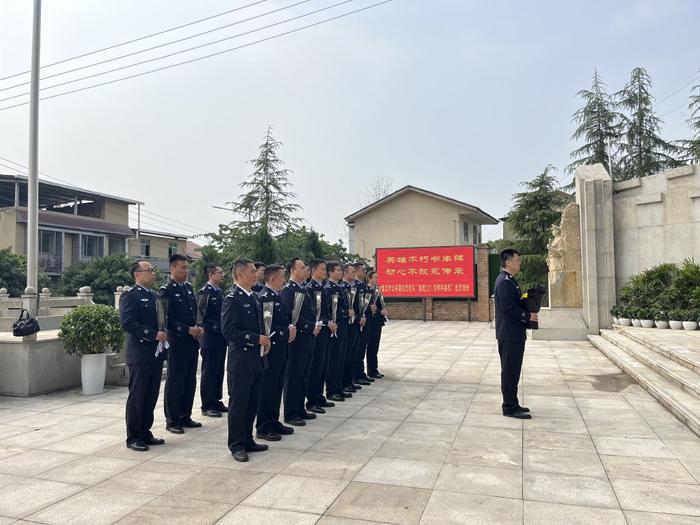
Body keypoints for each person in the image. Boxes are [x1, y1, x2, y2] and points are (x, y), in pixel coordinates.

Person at [222, 259, 271, 462]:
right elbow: (229, 331)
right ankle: (236, 444)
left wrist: (265, 340)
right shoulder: (232, 298)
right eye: (251, 271)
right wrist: (255, 339)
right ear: (240, 274)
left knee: (252, 403)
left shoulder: (253, 297)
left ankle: (248, 439)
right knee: (239, 405)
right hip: (240, 361)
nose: (255, 274)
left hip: (256, 359)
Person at [120, 260, 167, 451]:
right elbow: (128, 323)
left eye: (153, 270)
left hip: (155, 353)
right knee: (138, 395)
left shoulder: (154, 295)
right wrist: (152, 334)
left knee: (151, 395)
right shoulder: (130, 296)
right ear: (137, 274)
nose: (153, 273)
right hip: (140, 353)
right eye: (149, 270)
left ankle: (145, 431)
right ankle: (133, 436)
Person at [161, 254, 202, 434]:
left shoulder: (187, 288)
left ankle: (185, 415)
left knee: (189, 380)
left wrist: (198, 327)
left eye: (187, 267)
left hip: (192, 341)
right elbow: (167, 319)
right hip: (177, 342)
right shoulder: (166, 290)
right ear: (172, 269)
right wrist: (186, 329)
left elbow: (194, 313)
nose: (186, 270)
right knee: (175, 381)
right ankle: (172, 419)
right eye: (182, 267)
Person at [493, 249, 536, 419]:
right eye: (517, 260)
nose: (519, 263)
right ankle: (509, 407)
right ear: (508, 262)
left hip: (513, 333)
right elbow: (508, 308)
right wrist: (527, 315)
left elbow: (515, 303)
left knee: (514, 370)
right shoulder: (504, 282)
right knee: (510, 371)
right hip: (509, 334)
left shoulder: (510, 280)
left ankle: (514, 402)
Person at [256, 264, 296, 441]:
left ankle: (273, 420)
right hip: (270, 350)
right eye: (282, 276)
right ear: (272, 278)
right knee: (267, 388)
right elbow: (268, 326)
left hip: (280, 349)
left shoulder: (276, 296)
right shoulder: (265, 297)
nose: (284, 279)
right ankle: (264, 426)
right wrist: (286, 331)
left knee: (276, 386)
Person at [281, 258, 319, 426]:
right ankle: (290, 412)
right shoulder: (288, 290)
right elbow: (290, 315)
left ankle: (300, 407)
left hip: (308, 338)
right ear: (292, 270)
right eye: (302, 268)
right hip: (297, 340)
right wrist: (310, 326)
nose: (306, 270)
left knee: (304, 374)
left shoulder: (303, 289)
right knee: (294, 375)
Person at [305, 259, 335, 413]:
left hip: (325, 330)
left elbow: (326, 309)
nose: (325, 272)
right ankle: (312, 400)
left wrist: (329, 321)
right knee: (315, 366)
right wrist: (325, 321)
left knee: (322, 365)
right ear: (314, 270)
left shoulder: (322, 287)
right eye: (322, 269)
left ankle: (319, 396)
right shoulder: (309, 288)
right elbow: (313, 312)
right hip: (317, 331)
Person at [198, 264, 228, 418]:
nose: (223, 275)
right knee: (209, 372)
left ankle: (216, 400)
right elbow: (203, 318)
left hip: (221, 339)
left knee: (218, 370)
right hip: (210, 338)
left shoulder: (219, 292)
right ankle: (207, 404)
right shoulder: (205, 293)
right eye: (220, 272)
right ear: (211, 275)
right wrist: (220, 328)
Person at [324, 261, 351, 402]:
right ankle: (332, 390)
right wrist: (346, 312)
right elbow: (329, 310)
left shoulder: (338, 287)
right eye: (338, 270)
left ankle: (339, 387)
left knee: (341, 358)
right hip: (335, 327)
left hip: (343, 327)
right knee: (333, 359)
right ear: (331, 273)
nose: (341, 272)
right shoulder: (328, 288)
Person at [340, 264, 361, 394]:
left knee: (353, 354)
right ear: (346, 273)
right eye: (352, 272)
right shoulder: (343, 288)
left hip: (353, 324)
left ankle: (350, 381)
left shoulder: (352, 288)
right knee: (345, 356)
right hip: (346, 325)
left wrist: (358, 318)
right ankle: (345, 382)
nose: (354, 274)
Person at [352, 262, 372, 385]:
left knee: (362, 348)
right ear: (357, 271)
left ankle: (360, 373)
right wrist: (359, 317)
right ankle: (356, 375)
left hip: (365, 320)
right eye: (363, 270)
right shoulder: (354, 285)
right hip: (358, 321)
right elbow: (354, 305)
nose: (365, 272)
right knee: (357, 350)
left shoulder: (363, 285)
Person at [365, 270, 387, 379]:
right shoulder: (368, 290)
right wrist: (379, 312)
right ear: (369, 278)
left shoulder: (377, 290)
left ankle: (374, 368)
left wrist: (383, 311)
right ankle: (371, 370)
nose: (377, 279)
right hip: (371, 322)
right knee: (371, 346)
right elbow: (368, 308)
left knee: (375, 346)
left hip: (378, 321)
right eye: (375, 278)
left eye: (378, 278)